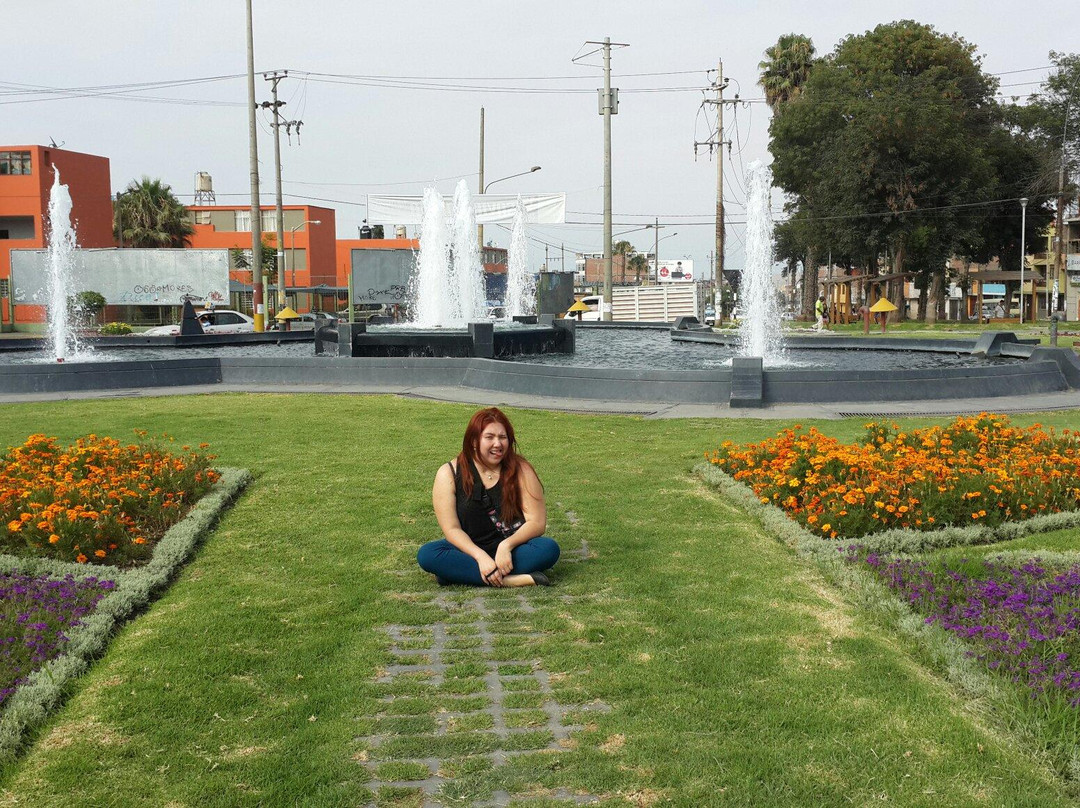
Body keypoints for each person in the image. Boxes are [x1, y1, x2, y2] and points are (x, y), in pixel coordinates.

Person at [417, 407, 559, 587]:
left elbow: (537, 523)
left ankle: (459, 574)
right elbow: (452, 529)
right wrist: (480, 556)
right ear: (474, 441)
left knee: (548, 549)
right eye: (489, 437)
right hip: (469, 550)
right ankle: (510, 581)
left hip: (513, 549)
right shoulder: (449, 474)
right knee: (428, 554)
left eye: (502, 437)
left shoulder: (522, 469)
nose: (498, 444)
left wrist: (506, 546)